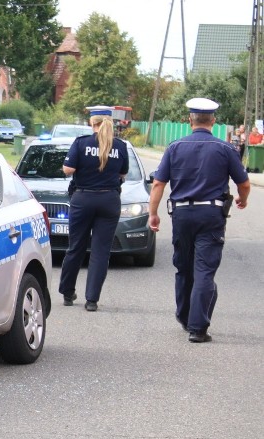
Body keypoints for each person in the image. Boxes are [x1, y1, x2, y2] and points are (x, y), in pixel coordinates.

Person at [147, 98, 251, 343]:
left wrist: (153, 213)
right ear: (213, 121)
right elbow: (244, 183)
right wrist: (242, 199)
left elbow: (159, 183)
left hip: (181, 215)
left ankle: (185, 317)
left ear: (189, 120)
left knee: (183, 268)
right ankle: (197, 328)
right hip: (211, 216)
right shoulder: (226, 149)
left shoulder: (175, 147)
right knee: (204, 271)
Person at [58, 105, 129, 312]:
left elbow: (68, 169)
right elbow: (123, 174)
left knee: (76, 247)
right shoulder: (120, 146)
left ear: (92, 122)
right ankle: (92, 300)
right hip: (109, 200)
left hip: (83, 199)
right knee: (100, 251)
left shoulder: (81, 143)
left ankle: (67, 292)